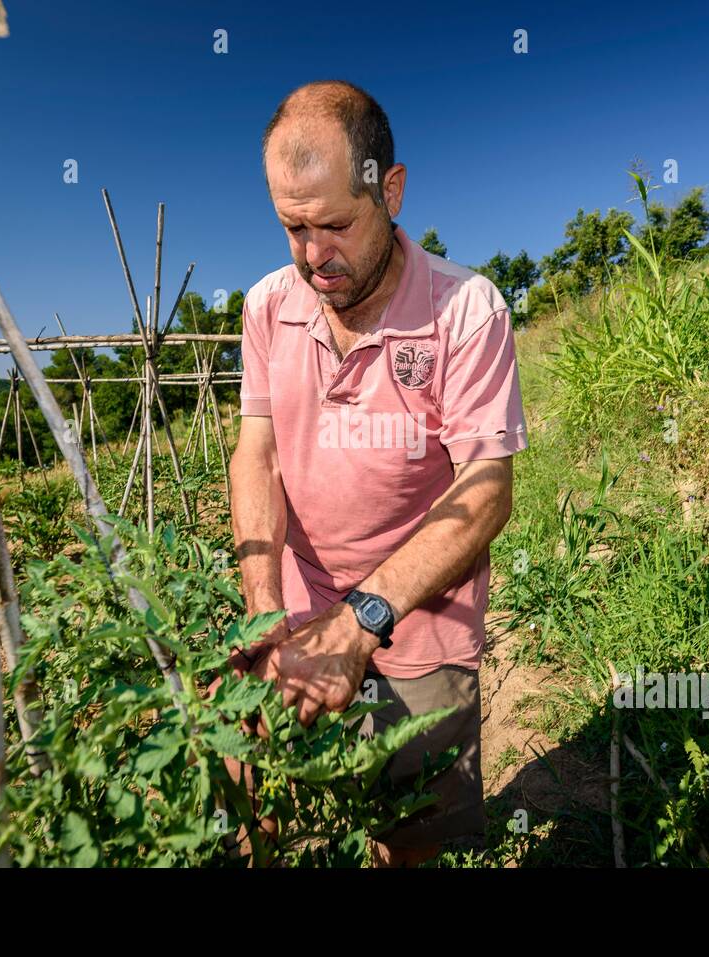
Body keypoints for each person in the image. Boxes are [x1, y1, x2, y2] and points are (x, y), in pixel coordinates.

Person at [223, 79, 527, 867]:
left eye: (334, 225)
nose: (313, 256)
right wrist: (266, 616)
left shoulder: (467, 309)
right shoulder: (265, 307)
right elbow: (257, 451)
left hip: (423, 618)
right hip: (296, 608)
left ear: (388, 191)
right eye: (293, 227)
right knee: (250, 788)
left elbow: (485, 486)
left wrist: (361, 620)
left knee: (407, 828)